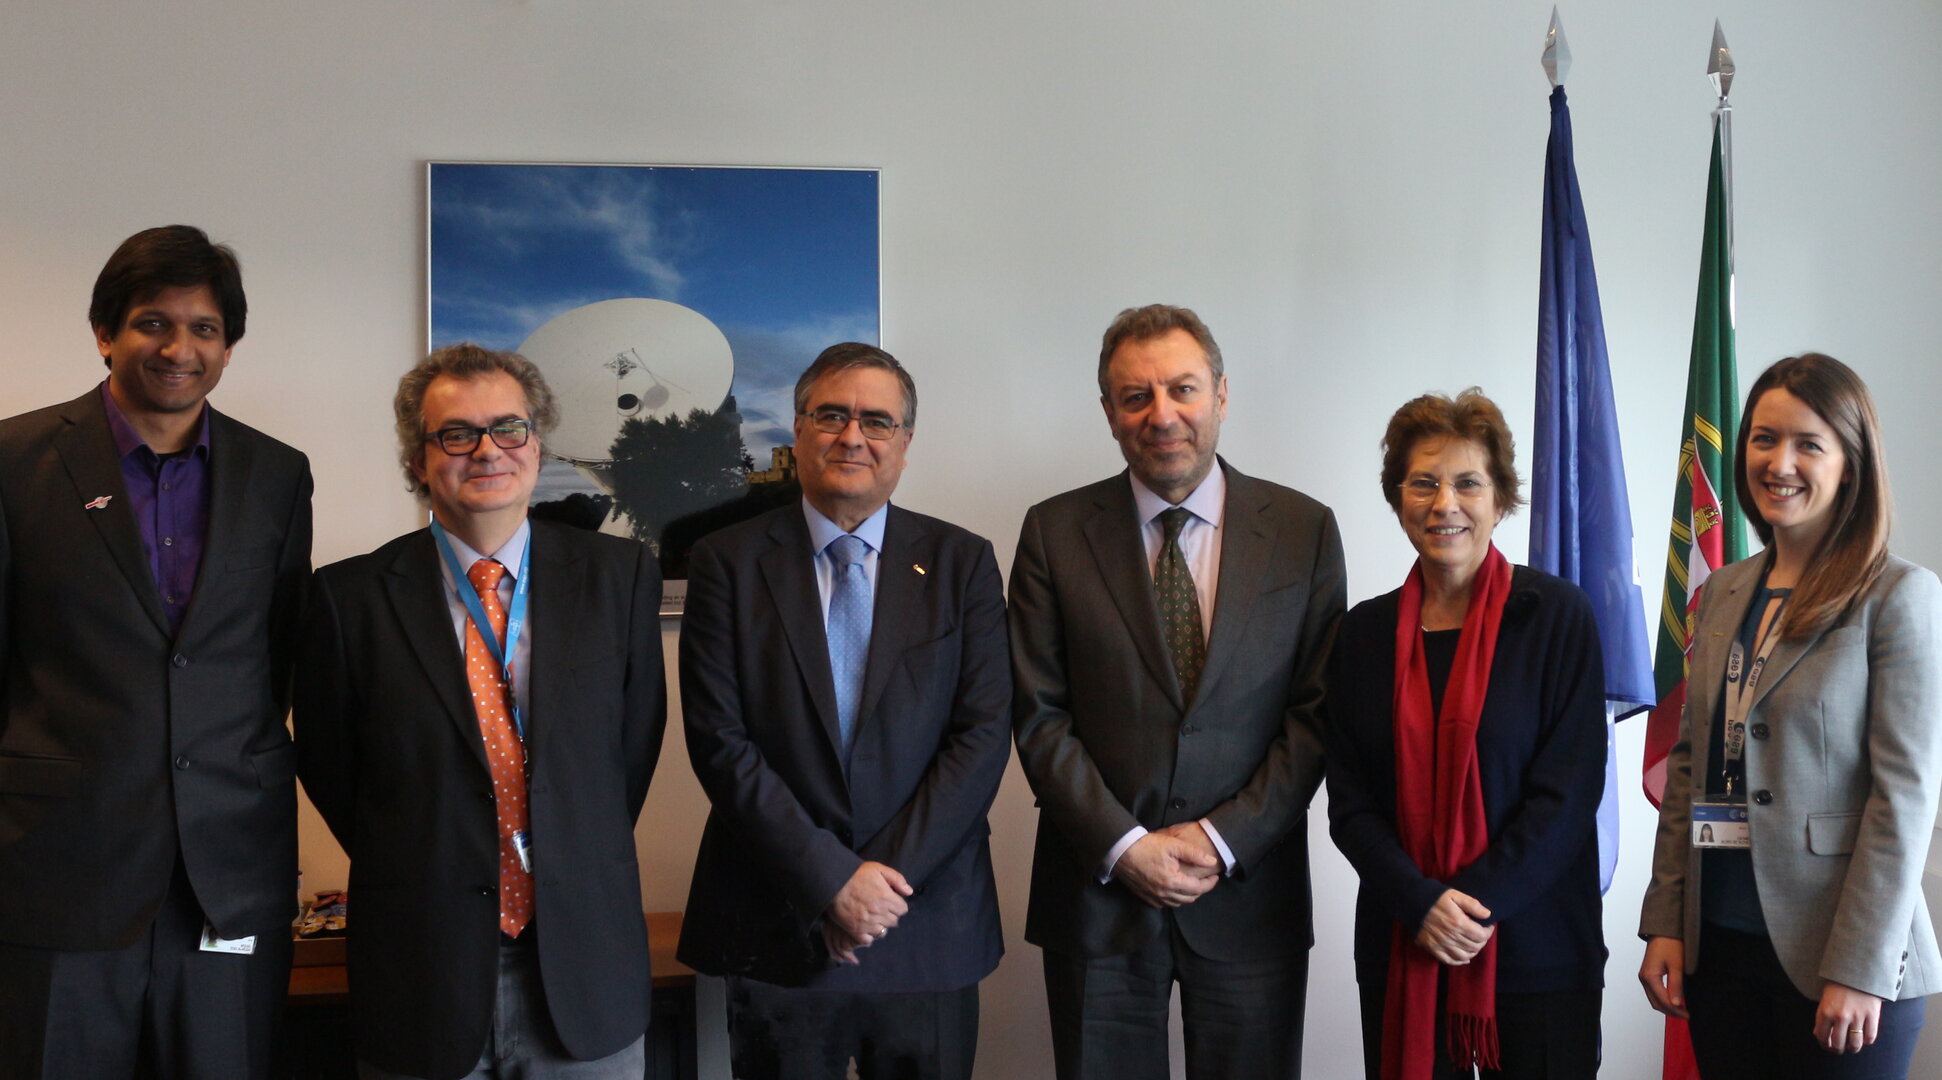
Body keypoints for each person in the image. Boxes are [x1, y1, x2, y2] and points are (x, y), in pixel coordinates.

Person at [295, 344, 666, 1080]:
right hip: (422, 967)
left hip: (585, 963)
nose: (487, 450)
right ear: (418, 458)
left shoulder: (618, 578)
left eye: (509, 428)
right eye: (457, 433)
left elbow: (632, 749)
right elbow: (334, 773)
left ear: (537, 442)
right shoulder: (348, 599)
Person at [0, 225, 312, 1079]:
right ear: (105, 332)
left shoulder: (278, 475)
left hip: (228, 878)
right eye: (152, 323)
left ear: (229, 346)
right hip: (59, 875)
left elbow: (276, 661)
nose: (179, 349)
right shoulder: (15, 461)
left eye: (204, 329)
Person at [1009, 304, 1345, 1079]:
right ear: (1109, 413)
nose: (1162, 415)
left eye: (1183, 389)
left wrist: (1219, 840)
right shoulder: (1053, 532)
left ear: (1221, 395)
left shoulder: (1304, 529)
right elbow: (1037, 713)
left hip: (1249, 898)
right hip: (1097, 898)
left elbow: (1316, 713)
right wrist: (1126, 847)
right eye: (1136, 396)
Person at [677, 343, 1011, 1080]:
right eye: (831, 414)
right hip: (776, 917)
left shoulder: (963, 563)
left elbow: (982, 735)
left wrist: (879, 884)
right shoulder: (725, 562)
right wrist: (828, 881)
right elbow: (719, 739)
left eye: (876, 421)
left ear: (905, 442)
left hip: (924, 922)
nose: (851, 436)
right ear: (796, 430)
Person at [1640, 353, 1942, 1080]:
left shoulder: (1898, 596)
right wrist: (1665, 923)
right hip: (1719, 950)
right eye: (1764, 438)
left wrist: (1862, 967)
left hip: (1838, 964)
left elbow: (1904, 797)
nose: (1780, 462)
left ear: (1851, 464)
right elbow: (1688, 767)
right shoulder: (1722, 592)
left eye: (1809, 443)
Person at [1325, 389, 1607, 1080]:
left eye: (1467, 483)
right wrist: (1422, 904)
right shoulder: (1362, 635)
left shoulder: (1556, 616)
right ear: (1398, 499)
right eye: (1423, 482)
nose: (1443, 503)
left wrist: (1468, 910)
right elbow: (1351, 802)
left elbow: (1566, 796)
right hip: (1403, 938)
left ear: (1500, 499)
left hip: (1536, 951)